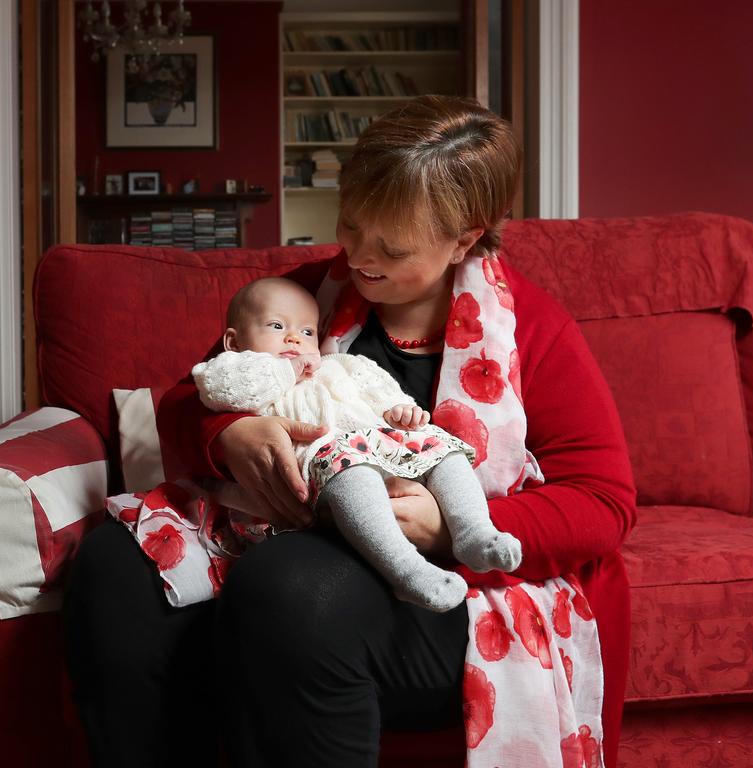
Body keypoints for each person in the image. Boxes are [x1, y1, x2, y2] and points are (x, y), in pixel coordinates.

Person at [62, 94, 636, 768]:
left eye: (392, 246)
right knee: (111, 564)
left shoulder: (534, 330)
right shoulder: (306, 298)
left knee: (288, 587)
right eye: (352, 225)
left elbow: (603, 502)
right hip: (287, 532)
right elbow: (197, 396)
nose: (359, 256)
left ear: (467, 237)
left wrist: (448, 525)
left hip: (454, 578)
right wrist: (228, 437)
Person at [190, 276, 522, 612]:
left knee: (442, 450)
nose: (294, 338)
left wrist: (400, 412)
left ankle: (473, 532)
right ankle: (406, 570)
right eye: (277, 326)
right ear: (233, 341)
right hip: (313, 468)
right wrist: (287, 370)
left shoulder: (339, 364)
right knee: (352, 471)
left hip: (373, 450)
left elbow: (382, 391)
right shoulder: (233, 366)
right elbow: (221, 389)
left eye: (307, 332)